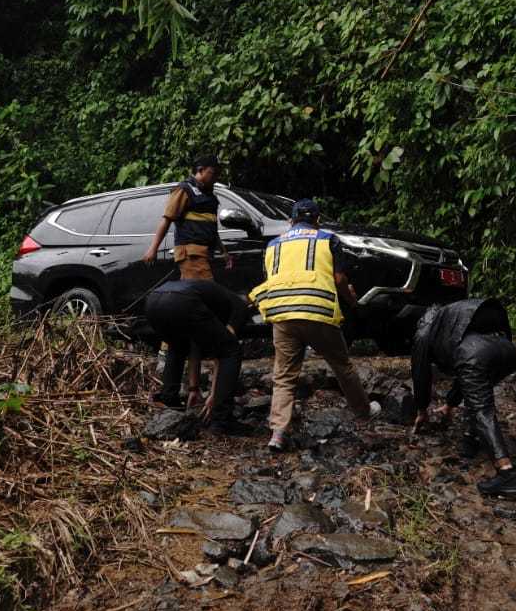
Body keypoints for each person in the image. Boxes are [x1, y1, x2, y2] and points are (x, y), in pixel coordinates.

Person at [248, 198, 370, 452]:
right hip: (318, 313)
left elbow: (273, 278)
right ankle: (363, 412)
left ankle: (278, 433)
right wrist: (352, 301)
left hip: (282, 314)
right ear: (317, 220)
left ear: (291, 221)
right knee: (342, 365)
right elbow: (339, 278)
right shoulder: (328, 239)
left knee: (283, 375)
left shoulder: (272, 245)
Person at [406, 297, 516, 498]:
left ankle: (507, 475)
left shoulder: (424, 333)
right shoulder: (452, 316)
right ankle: (471, 439)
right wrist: (450, 404)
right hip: (507, 352)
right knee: (478, 394)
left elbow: (420, 374)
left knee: (481, 409)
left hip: (476, 355)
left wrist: (421, 409)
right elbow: (466, 374)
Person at [143, 156, 232, 405]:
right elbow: (167, 220)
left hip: (205, 255)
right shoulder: (183, 191)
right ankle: (191, 379)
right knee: (203, 310)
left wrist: (223, 252)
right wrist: (153, 248)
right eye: (212, 173)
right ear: (199, 171)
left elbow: (212, 230)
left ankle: (190, 385)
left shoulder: (211, 198)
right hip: (190, 256)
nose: (215, 178)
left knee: (191, 321)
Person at [143, 277, 253, 435]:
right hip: (182, 300)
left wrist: (193, 389)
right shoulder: (239, 309)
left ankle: (170, 403)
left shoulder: (213, 301)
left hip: (153, 301)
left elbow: (194, 347)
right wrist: (214, 397)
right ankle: (221, 421)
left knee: (178, 346)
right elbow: (221, 355)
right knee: (231, 350)